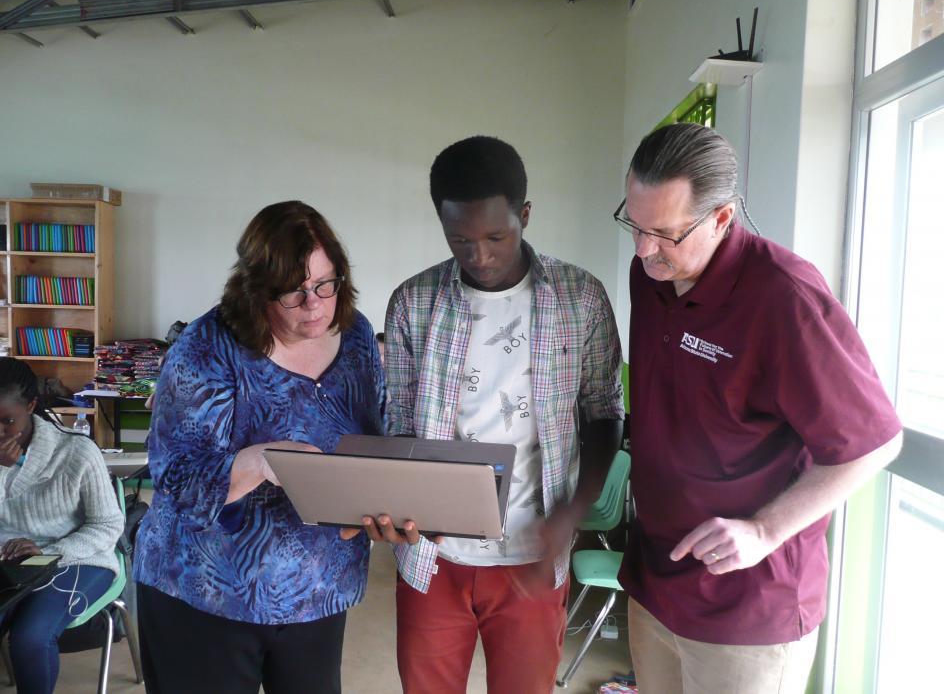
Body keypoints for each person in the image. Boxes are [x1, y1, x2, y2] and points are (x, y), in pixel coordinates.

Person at [616, 123, 903, 693]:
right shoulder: (650, 275)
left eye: (665, 233)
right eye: (634, 224)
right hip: (658, 583)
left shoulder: (785, 297)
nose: (644, 249)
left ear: (722, 218)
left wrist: (764, 531)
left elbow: (875, 442)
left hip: (749, 606)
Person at [371, 136, 624, 692]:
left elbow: (604, 416)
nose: (479, 256)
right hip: (432, 556)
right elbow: (400, 430)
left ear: (525, 215)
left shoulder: (580, 297)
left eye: (495, 236)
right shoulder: (413, 302)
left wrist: (571, 514)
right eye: (459, 240)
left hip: (534, 552)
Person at [133, 201, 385, 694]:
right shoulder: (207, 348)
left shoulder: (355, 336)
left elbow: (369, 441)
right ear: (255, 290)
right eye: (292, 292)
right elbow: (176, 481)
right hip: (206, 592)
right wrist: (262, 461)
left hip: (316, 589)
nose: (313, 304)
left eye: (324, 284)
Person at [0, 357, 124, 694]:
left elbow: (107, 526)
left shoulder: (75, 452)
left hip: (78, 557)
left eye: (7, 421)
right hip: (9, 561)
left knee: (31, 637)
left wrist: (49, 550)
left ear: (31, 405)